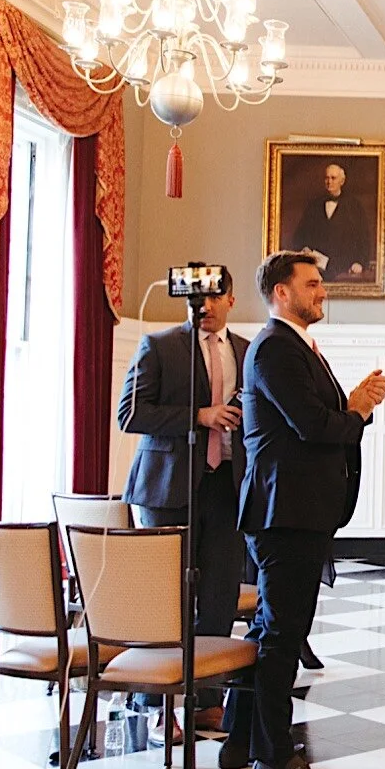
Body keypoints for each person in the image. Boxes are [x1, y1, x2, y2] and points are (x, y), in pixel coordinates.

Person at [220, 252, 385, 769]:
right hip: (284, 512)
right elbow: (314, 426)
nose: (323, 291)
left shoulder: (297, 345)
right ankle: (273, 755)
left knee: (272, 628)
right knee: (282, 634)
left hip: (296, 510)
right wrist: (356, 409)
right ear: (282, 292)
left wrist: (354, 407)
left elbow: (319, 420)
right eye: (312, 283)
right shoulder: (275, 347)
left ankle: (241, 739)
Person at [117, 271, 247, 744]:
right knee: (167, 598)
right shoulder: (159, 346)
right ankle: (156, 706)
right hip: (167, 487)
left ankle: (206, 701)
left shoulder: (248, 351)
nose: (205, 305)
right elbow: (130, 413)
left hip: (227, 487)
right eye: (198, 297)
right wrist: (199, 416)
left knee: (218, 596)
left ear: (231, 299)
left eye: (214, 295)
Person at [292, 162, 372, 280]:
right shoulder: (314, 205)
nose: (329, 182)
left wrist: (360, 262)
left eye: (333, 178)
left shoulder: (354, 207)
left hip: (345, 269)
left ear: (342, 181)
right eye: (327, 178)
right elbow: (299, 236)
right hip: (317, 269)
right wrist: (304, 248)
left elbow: (364, 239)